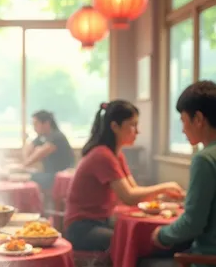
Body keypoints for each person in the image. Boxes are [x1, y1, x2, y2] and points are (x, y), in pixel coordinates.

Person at [124, 80, 216, 267]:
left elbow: (192, 223)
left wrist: (160, 235)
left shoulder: (206, 158)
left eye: (183, 119)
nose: (183, 127)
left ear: (198, 118)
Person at [64, 100, 184, 252]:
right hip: (82, 228)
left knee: (142, 237)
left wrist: (163, 197)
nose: (137, 131)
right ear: (115, 126)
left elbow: (134, 190)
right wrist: (164, 187)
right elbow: (129, 197)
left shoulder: (116, 155)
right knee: (134, 242)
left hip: (101, 222)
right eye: (133, 125)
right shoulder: (102, 155)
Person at [24, 110, 75, 189]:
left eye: (36, 124)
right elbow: (28, 154)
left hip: (60, 177)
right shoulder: (42, 137)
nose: (34, 128)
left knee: (25, 177)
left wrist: (22, 166)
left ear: (46, 123)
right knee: (26, 174)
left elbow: (39, 154)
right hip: (50, 175)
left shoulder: (57, 136)